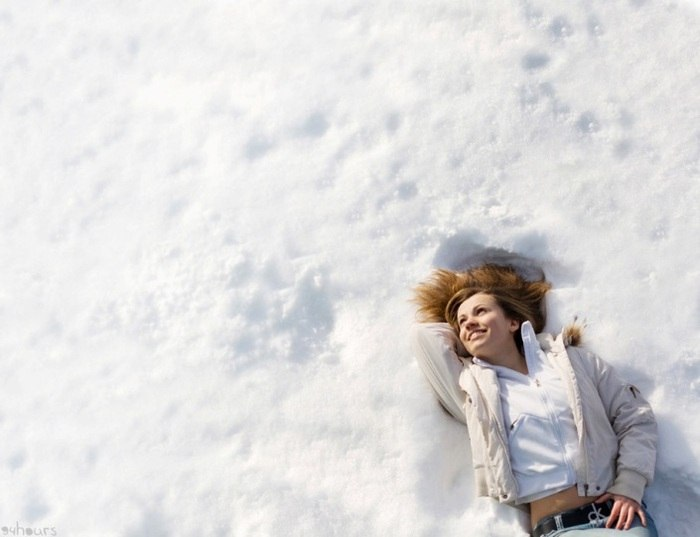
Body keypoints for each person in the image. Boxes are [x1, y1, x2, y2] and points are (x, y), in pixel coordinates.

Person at [411, 264, 658, 536]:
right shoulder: (473, 391)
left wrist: (630, 485)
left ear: (513, 322)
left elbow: (634, 417)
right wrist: (471, 337)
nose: (468, 322)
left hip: (619, 520)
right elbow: (424, 337)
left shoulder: (572, 362)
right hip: (559, 530)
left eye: (481, 311)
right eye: (461, 322)